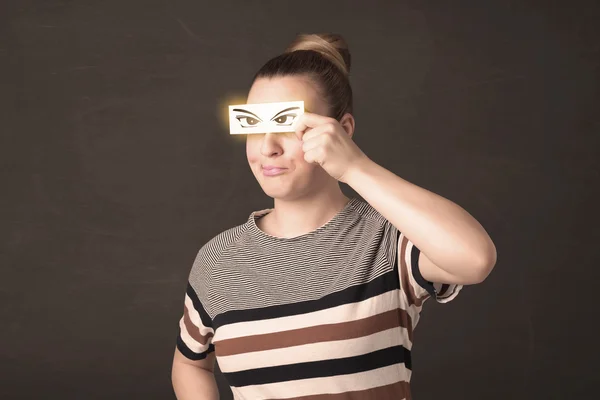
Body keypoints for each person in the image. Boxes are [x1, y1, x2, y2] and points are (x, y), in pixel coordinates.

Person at [171, 33, 497, 400]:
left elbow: (476, 259)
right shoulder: (218, 260)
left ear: (342, 130)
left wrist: (355, 166)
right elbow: (190, 363)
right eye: (254, 126)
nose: (267, 147)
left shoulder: (390, 238)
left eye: (287, 124)